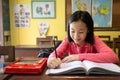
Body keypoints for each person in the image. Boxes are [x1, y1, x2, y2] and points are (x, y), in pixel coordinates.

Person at [47, 11, 119, 69]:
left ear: (88, 30)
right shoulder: (67, 40)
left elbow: (113, 57)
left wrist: (79, 56)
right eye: (72, 31)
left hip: (93, 75)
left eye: (81, 32)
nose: (75, 36)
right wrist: (51, 61)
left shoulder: (94, 39)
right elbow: (53, 55)